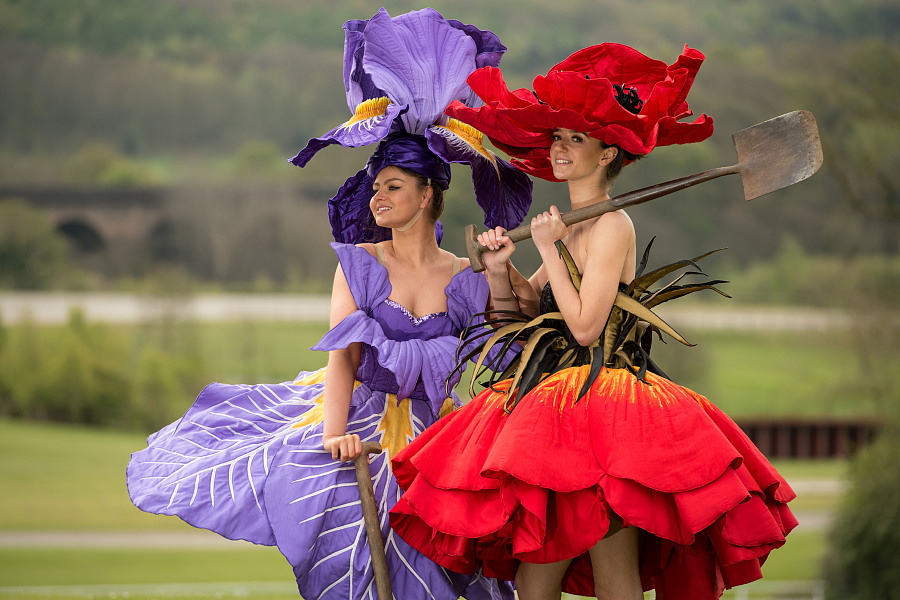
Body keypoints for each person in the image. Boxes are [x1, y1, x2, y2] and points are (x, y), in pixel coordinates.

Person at [126, 8, 531, 600]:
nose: (377, 197)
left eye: (392, 187)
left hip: (436, 432)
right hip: (358, 420)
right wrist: (335, 433)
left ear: (426, 196)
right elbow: (343, 355)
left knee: (451, 566)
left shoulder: (463, 275)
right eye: (374, 188)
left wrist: (500, 270)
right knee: (361, 560)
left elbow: (505, 341)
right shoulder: (359, 262)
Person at [389, 43, 797, 600]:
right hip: (549, 415)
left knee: (615, 582)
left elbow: (584, 328)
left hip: (611, 417)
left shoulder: (611, 228)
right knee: (535, 585)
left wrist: (551, 249)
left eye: (574, 139)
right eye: (556, 137)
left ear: (607, 154)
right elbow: (517, 316)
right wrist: (499, 268)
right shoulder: (568, 226)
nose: (558, 147)